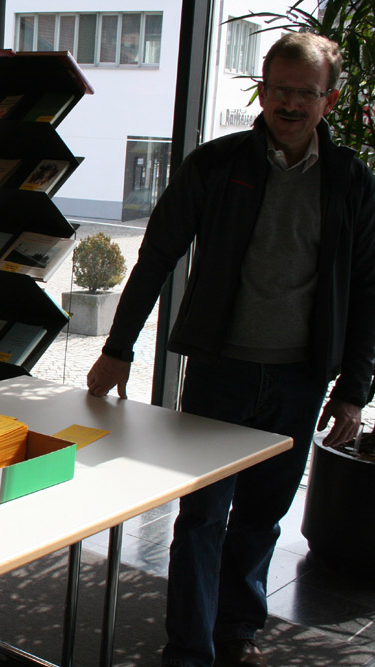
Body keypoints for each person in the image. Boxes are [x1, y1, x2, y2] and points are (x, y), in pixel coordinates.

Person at [86, 33, 375, 667]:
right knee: (202, 516)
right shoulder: (216, 165)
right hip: (219, 372)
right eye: (280, 90)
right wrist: (119, 346)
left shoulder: (351, 181)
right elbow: (157, 254)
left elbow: (366, 289)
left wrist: (354, 389)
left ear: (328, 100)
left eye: (306, 93)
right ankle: (189, 649)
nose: (291, 104)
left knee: (261, 517)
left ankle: (238, 633)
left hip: (299, 379)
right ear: (262, 92)